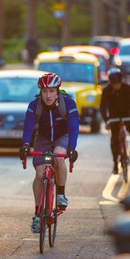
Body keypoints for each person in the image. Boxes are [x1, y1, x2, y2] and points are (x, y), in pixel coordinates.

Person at [19, 73, 79, 233]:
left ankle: (60, 194)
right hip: (43, 138)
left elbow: (74, 127)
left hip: (62, 137)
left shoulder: (68, 103)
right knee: (39, 175)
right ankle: (38, 213)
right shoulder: (34, 105)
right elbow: (28, 126)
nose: (48, 96)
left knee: (59, 157)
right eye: (44, 91)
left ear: (57, 91)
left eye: (52, 91)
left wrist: (72, 147)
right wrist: (25, 145)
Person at [100, 68, 130, 174]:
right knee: (114, 140)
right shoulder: (107, 90)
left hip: (126, 113)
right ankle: (115, 164)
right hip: (114, 116)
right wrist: (106, 121)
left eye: (118, 83)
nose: (117, 86)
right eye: (114, 84)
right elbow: (103, 107)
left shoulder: (127, 88)